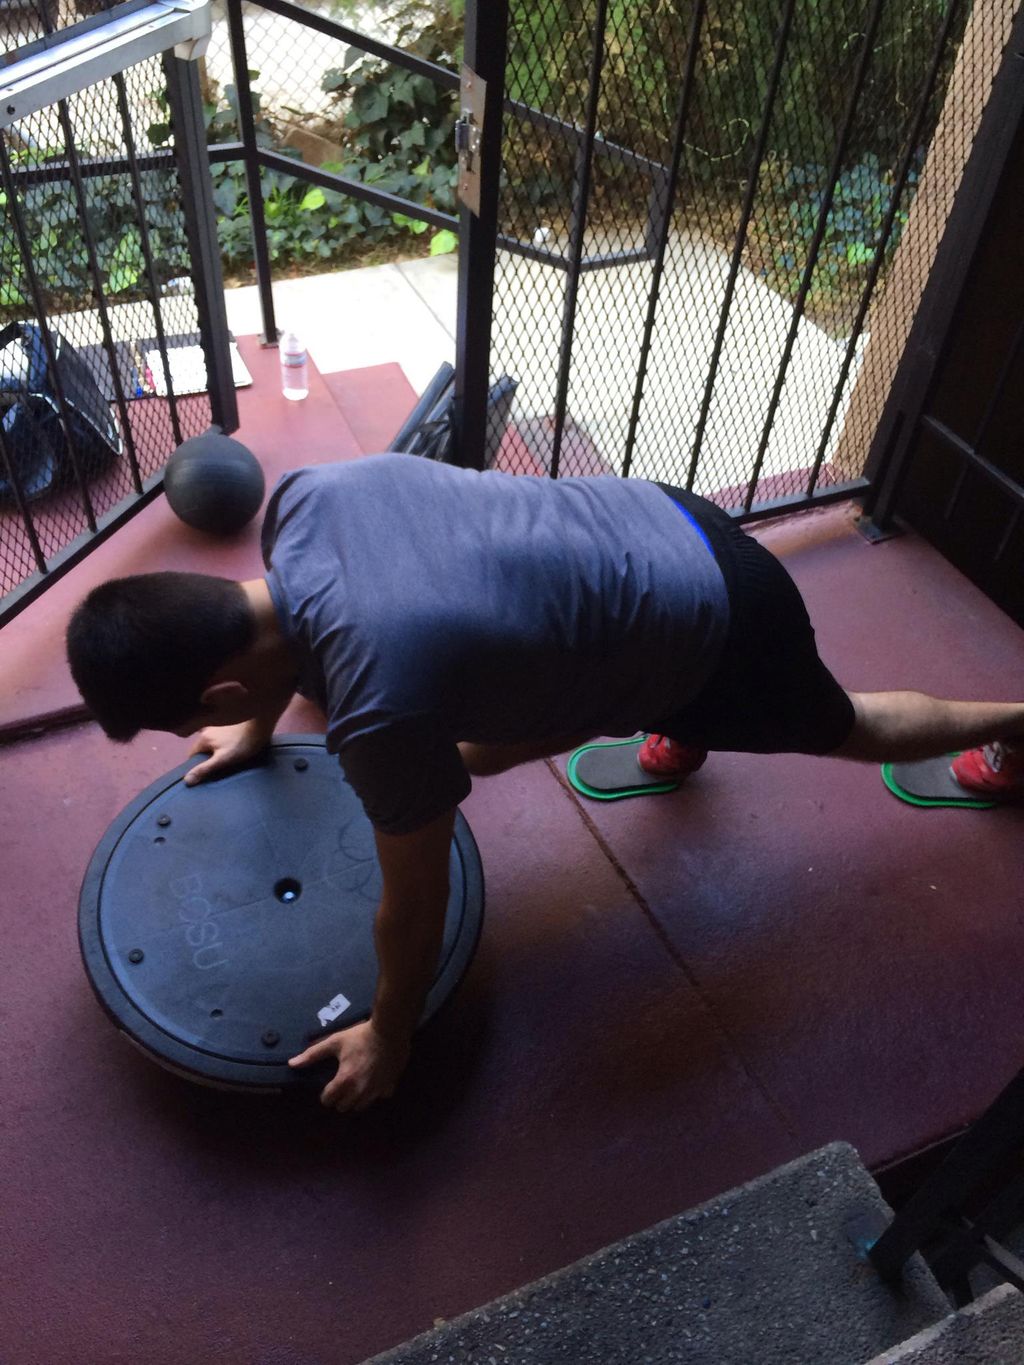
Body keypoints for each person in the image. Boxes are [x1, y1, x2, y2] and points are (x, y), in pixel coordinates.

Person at [66, 454, 1024, 1112]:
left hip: (725, 622)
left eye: (194, 717)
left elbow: (414, 901)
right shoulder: (304, 502)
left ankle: (1012, 723)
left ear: (220, 688)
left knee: (848, 728)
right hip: (654, 515)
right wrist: (255, 725)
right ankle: (673, 715)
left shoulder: (381, 701)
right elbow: (269, 647)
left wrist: (389, 1034)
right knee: (477, 751)